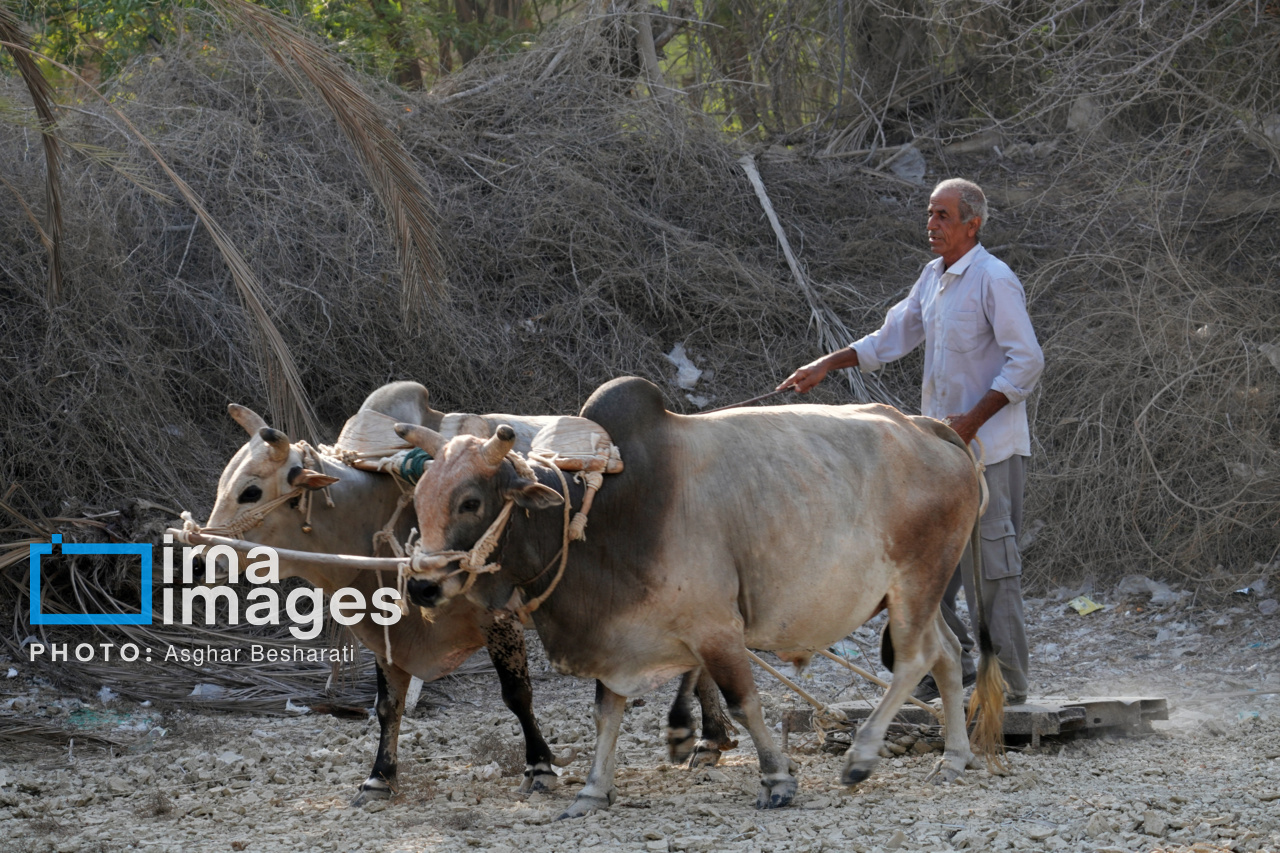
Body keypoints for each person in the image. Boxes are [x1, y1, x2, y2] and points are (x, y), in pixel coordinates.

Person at [777, 178, 1044, 705]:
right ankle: (948, 666)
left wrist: (973, 421)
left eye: (943, 216)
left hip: (989, 451)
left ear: (973, 224)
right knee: (922, 566)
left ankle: (1008, 686)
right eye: (930, 214)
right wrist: (826, 364)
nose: (932, 225)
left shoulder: (994, 278)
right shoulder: (932, 278)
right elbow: (891, 337)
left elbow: (1027, 362)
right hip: (939, 454)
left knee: (991, 570)